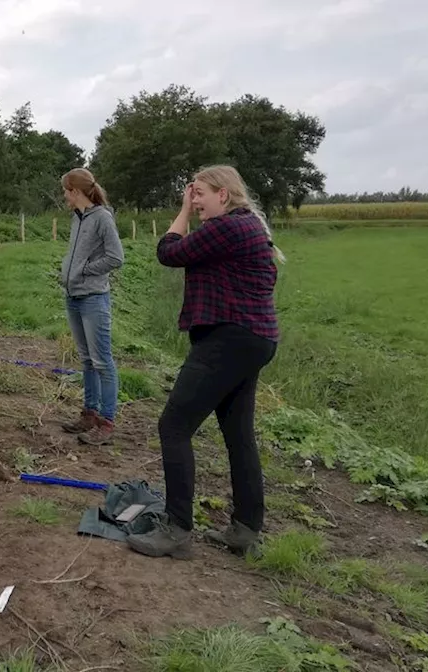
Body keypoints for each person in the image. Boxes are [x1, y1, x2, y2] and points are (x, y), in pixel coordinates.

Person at [126, 165, 283, 560]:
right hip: (254, 339)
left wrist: (180, 211)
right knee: (238, 434)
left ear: (223, 196)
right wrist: (190, 204)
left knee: (174, 424)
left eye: (199, 194)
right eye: (191, 195)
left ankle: (177, 529)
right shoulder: (248, 227)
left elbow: (169, 252)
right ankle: (246, 530)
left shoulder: (227, 227)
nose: (194, 202)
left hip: (228, 339)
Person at [58, 168, 125, 446]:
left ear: (75, 191)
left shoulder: (102, 218)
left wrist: (85, 271)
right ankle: (89, 413)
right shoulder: (77, 219)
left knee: (102, 361)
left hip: (93, 297)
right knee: (86, 359)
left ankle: (106, 423)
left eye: (65, 190)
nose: (64, 196)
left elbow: (115, 257)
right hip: (73, 296)